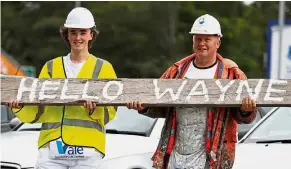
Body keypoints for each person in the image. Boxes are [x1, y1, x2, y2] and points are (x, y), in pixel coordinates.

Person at [127, 14, 257, 169]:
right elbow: (161, 106)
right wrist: (144, 107)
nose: (201, 43)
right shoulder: (176, 72)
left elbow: (245, 118)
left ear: (218, 42)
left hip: (212, 158)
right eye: (198, 38)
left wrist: (246, 110)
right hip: (176, 154)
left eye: (207, 39)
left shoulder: (231, 75)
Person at [6, 7, 117, 169]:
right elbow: (38, 111)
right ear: (66, 34)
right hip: (51, 150)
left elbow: (111, 111)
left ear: (91, 35)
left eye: (82, 32)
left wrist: (94, 110)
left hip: (87, 151)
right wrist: (19, 107)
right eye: (73, 32)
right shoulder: (51, 67)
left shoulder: (103, 68)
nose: (77, 37)